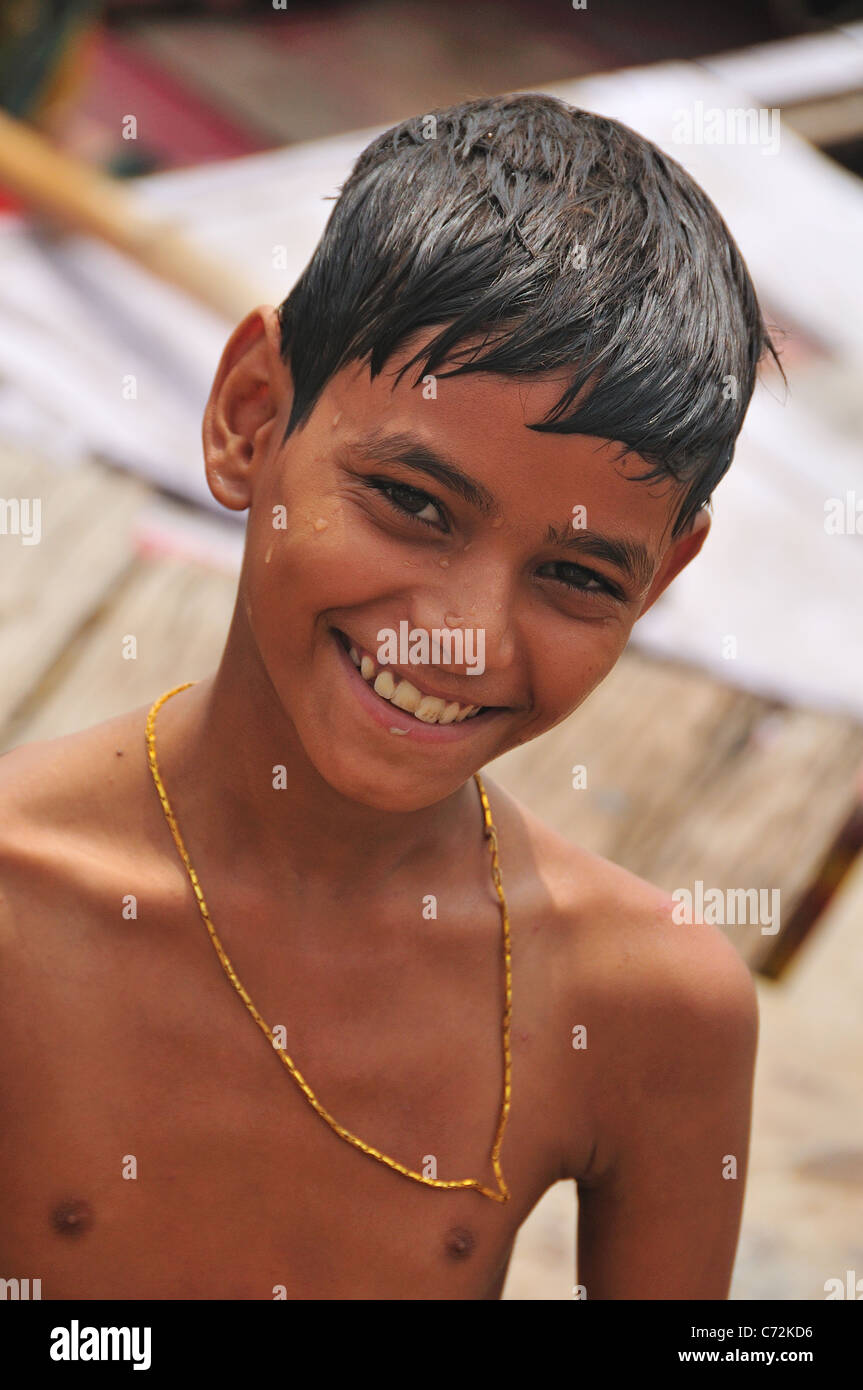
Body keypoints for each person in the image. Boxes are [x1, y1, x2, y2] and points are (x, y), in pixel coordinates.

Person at [0, 93, 775, 1299]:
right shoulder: (21, 903)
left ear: (658, 581)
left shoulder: (647, 1005)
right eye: (412, 504)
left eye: (575, 576)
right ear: (252, 417)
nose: (464, 637)